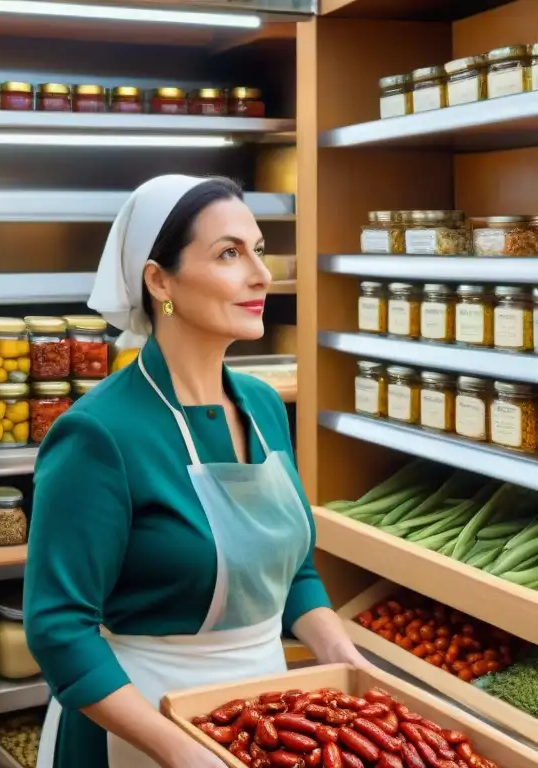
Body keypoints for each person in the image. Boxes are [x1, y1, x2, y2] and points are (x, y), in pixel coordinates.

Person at [23, 175, 370, 768]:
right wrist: (182, 751)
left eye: (258, 250)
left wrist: (348, 660)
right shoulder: (100, 433)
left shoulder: (263, 407)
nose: (261, 274)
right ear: (159, 281)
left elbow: (293, 570)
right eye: (229, 253)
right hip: (138, 728)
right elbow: (59, 627)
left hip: (261, 720)